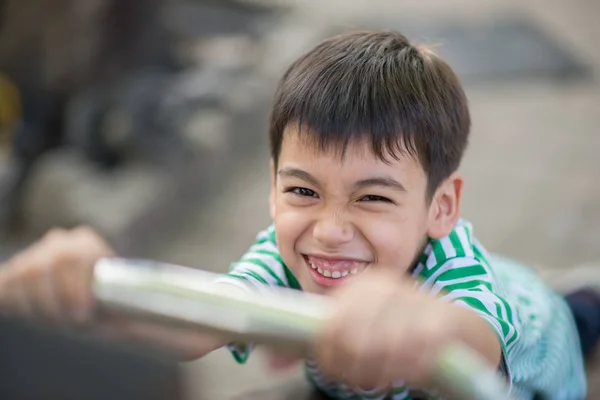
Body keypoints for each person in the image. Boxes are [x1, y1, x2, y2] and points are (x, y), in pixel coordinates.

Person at [0, 30, 598, 400]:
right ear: (273, 188)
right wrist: (95, 297)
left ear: (440, 208)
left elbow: (474, 340)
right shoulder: (288, 252)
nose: (329, 231)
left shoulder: (457, 274)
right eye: (304, 192)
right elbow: (202, 319)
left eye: (373, 197)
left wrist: (429, 325)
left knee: (575, 315)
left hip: (536, 342)